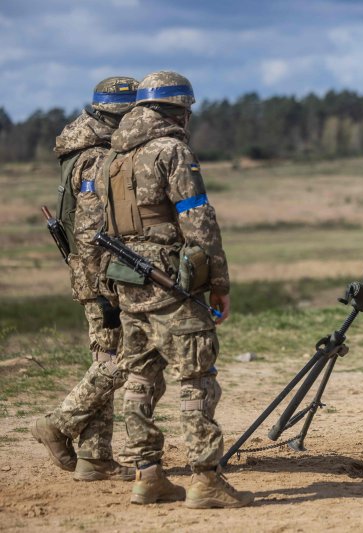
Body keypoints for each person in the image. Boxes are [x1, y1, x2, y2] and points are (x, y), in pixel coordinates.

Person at [101, 71, 252, 508]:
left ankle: (147, 476)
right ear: (177, 109)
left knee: (139, 377)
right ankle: (205, 480)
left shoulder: (115, 157)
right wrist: (217, 283)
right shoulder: (172, 151)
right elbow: (198, 221)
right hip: (171, 284)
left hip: (129, 283)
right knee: (196, 379)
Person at [31, 77, 140, 481]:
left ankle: (94, 459)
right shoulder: (96, 158)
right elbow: (93, 234)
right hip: (103, 279)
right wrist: (110, 287)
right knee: (125, 358)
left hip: (95, 278)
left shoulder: (80, 150)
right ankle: (58, 424)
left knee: (105, 359)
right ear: (118, 115)